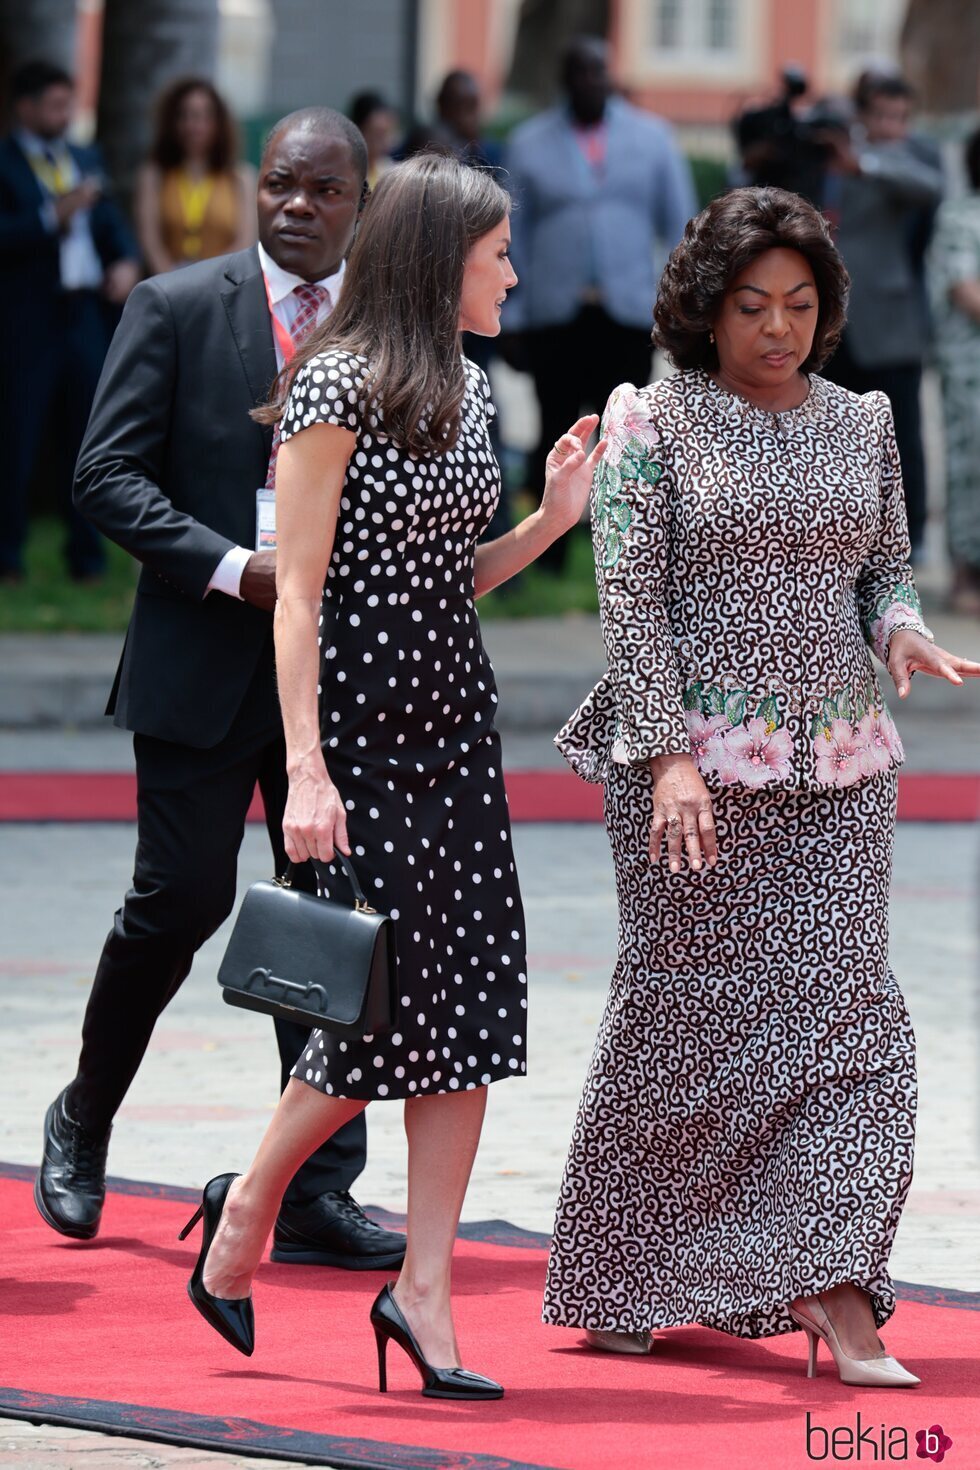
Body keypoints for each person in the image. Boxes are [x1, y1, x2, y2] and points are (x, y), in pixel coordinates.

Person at [176, 153, 604, 1398]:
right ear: (440, 260)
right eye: (498, 254)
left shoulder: (472, 390)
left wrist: (548, 523)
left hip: (453, 724)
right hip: (355, 731)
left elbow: (443, 577)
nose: (516, 273)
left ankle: (422, 1294)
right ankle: (249, 1205)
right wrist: (304, 771)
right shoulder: (334, 384)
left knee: (471, 1004)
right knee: (373, 1001)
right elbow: (297, 595)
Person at [545, 187, 979, 1382]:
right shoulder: (651, 418)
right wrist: (671, 758)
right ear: (703, 306)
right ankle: (629, 1272)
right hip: (689, 775)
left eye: (797, 304)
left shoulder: (863, 421)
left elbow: (881, 568)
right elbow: (628, 607)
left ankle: (835, 1294)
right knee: (685, 1028)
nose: (777, 328)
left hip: (841, 765)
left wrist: (898, 630)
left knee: (849, 1016)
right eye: (750, 306)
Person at [34, 108, 407, 1277]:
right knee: (180, 900)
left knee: (329, 921)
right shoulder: (175, 306)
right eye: (280, 185)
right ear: (258, 187)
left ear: (361, 201)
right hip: (199, 661)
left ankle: (308, 1192)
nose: (298, 206)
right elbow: (102, 474)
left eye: (324, 191)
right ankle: (84, 1117)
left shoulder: (388, 325)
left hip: (337, 682)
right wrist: (228, 565)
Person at [500, 34, 695, 570]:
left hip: (626, 313)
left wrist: (678, 309)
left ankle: (628, 553)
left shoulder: (653, 138)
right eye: (580, 73)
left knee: (627, 435)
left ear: (611, 76)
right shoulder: (529, 141)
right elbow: (513, 233)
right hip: (555, 314)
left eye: (599, 72)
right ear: (565, 81)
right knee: (554, 429)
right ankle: (548, 556)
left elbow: (682, 227)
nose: (591, 82)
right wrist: (512, 314)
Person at [0, 58, 138, 582]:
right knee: (18, 438)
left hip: (84, 314)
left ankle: (87, 559)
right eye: (54, 104)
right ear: (25, 106)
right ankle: (7, 558)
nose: (64, 113)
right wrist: (47, 218)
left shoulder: (82, 157)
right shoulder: (6, 161)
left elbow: (110, 225)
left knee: (91, 436)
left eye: (67, 103)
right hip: (28, 318)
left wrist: (124, 260)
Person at [821, 71, 943, 561]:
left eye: (901, 117)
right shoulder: (832, 148)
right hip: (833, 322)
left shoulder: (911, 157)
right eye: (883, 116)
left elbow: (931, 187)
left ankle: (909, 547)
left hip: (892, 323)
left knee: (902, 436)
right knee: (834, 434)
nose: (893, 126)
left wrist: (865, 164)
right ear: (862, 115)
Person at [929, 127, 980, 614]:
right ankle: (967, 572)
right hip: (972, 370)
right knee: (971, 468)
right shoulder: (962, 215)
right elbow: (965, 290)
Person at [135, 76, 256, 275]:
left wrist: (208, 283)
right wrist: (171, 283)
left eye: (203, 116)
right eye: (185, 115)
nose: (194, 125)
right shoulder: (154, 175)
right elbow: (150, 241)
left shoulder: (241, 178)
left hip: (221, 286)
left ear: (218, 123)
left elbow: (244, 243)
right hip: (166, 285)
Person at [433, 70, 503, 174]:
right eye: (456, 106)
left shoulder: (492, 154)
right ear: (441, 104)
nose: (464, 116)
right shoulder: (421, 144)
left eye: (471, 106)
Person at [349, 90, 397, 190]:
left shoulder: (389, 171)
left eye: (389, 133)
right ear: (358, 131)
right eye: (378, 134)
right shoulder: (343, 172)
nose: (387, 142)